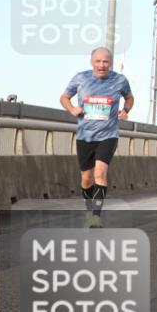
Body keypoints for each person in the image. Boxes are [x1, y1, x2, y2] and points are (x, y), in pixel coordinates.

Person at [60, 47, 134, 228]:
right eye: (98, 61)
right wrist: (72, 109)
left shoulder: (119, 80)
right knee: (86, 178)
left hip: (108, 134)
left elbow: (130, 98)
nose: (102, 65)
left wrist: (125, 110)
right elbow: (64, 97)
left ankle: (96, 216)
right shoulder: (81, 78)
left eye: (106, 62)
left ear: (110, 63)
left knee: (100, 173)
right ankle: (89, 209)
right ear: (92, 62)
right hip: (85, 135)